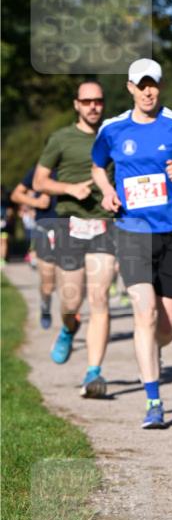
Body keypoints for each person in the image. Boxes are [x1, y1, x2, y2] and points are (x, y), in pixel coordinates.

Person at [91, 59, 172, 428]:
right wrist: (109, 191)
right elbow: (98, 165)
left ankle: (154, 351)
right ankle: (153, 401)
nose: (147, 91)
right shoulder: (113, 129)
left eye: (153, 84)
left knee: (167, 327)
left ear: (160, 86)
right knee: (145, 314)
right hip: (131, 232)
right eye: (141, 85)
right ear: (129, 87)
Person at [33, 80, 116, 396]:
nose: (94, 106)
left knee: (100, 297)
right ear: (76, 104)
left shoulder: (113, 136)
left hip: (104, 225)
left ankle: (94, 373)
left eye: (98, 101)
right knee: (70, 301)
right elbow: (40, 181)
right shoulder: (61, 138)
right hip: (70, 224)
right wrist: (69, 189)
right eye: (87, 101)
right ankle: (69, 328)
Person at [11, 166, 58, 328]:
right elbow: (16, 195)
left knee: (71, 280)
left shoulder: (75, 165)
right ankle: (45, 305)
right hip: (44, 229)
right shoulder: (40, 170)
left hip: (71, 230)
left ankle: (71, 322)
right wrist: (36, 202)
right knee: (48, 282)